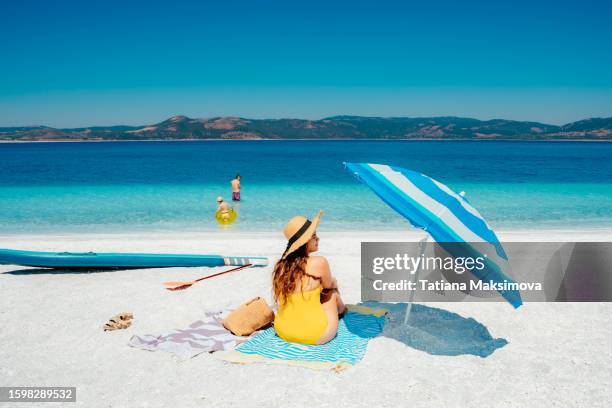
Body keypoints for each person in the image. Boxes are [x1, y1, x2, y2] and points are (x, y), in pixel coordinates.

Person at [272, 211, 346, 345]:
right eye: (314, 236)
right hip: (315, 334)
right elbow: (328, 286)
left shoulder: (281, 266)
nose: (318, 239)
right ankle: (342, 310)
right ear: (305, 242)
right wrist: (333, 283)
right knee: (332, 293)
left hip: (283, 331)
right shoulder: (319, 262)